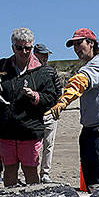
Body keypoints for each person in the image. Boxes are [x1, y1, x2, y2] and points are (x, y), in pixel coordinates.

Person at [47, 27, 99, 188]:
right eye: (74, 45)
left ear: (91, 43)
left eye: (80, 43)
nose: (76, 48)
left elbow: (80, 81)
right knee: (90, 179)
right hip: (90, 129)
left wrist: (63, 101)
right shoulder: (92, 64)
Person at [0, 29, 60, 187]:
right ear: (12, 47)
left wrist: (35, 96)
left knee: (30, 170)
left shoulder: (42, 71)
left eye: (28, 48)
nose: (24, 52)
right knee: (9, 169)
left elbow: (51, 98)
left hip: (30, 131)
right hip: (6, 131)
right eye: (19, 48)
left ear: (32, 47)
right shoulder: (3, 66)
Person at [34, 43, 59, 182]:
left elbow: (58, 91)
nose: (45, 58)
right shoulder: (30, 71)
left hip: (50, 114)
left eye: (46, 55)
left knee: (48, 145)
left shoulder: (51, 71)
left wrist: (55, 108)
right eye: (42, 54)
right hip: (33, 115)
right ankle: (33, 172)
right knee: (34, 145)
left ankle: (45, 173)